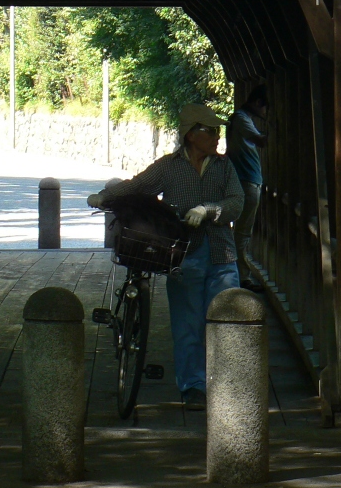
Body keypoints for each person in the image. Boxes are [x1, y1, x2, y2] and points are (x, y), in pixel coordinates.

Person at [87, 102, 243, 410]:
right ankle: (193, 387)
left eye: (217, 131)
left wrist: (209, 209)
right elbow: (137, 186)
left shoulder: (224, 166)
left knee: (230, 321)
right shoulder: (169, 167)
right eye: (211, 130)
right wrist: (104, 197)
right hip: (184, 255)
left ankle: (228, 384)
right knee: (187, 325)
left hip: (222, 253)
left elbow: (237, 201)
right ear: (191, 134)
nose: (217, 136)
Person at [225, 86, 267, 293]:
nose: (266, 113)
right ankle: (241, 277)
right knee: (242, 232)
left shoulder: (239, 118)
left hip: (243, 178)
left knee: (240, 231)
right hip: (247, 180)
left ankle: (235, 274)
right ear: (258, 103)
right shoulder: (242, 118)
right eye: (266, 108)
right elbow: (261, 141)